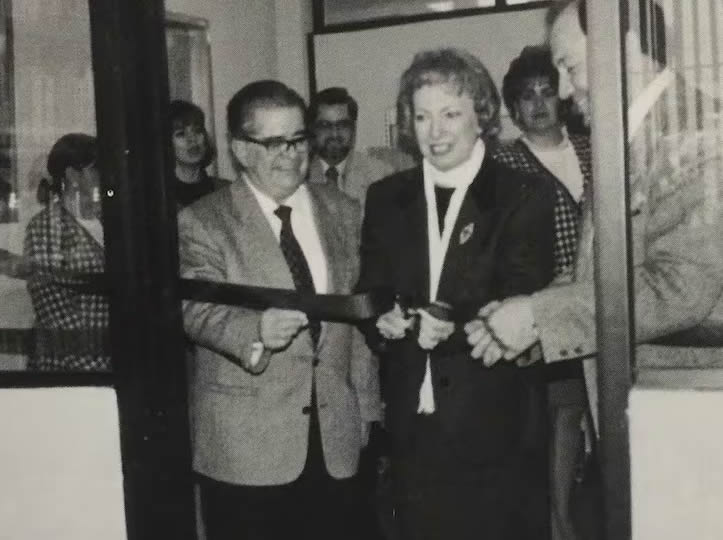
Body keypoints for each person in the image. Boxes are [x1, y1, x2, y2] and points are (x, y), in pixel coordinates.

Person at [467, 0, 723, 430]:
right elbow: (601, 269)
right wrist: (529, 316)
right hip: (649, 408)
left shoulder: (697, 135)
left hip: (687, 412)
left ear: (625, 48)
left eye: (569, 67)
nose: (565, 91)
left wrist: (538, 315)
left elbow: (681, 288)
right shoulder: (628, 137)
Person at [356, 47, 557, 540]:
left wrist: (452, 322)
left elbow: (521, 294)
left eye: (450, 114)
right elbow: (371, 289)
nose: (435, 131)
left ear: (481, 116)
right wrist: (382, 318)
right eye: (422, 116)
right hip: (412, 425)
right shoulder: (386, 197)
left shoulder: (522, 193)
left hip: (495, 421)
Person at [177, 80, 381, 540]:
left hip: (337, 438)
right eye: (274, 143)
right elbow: (195, 305)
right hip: (247, 448)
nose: (291, 154)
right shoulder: (203, 220)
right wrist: (254, 331)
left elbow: (355, 315)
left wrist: (366, 407)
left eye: (298, 139)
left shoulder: (344, 210)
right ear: (241, 150)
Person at [491, 44, 592, 540]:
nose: (537, 104)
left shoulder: (594, 147)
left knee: (592, 410)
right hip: (540, 308)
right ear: (513, 107)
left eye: (546, 92)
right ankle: (559, 522)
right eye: (526, 95)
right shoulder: (503, 160)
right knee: (558, 413)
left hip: (598, 301)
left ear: (563, 97)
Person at [24, 133, 109, 371]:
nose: (105, 174)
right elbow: (53, 306)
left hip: (116, 359)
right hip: (70, 366)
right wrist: (94, 366)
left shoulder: (111, 219)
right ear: (73, 175)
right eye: (97, 168)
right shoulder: (45, 227)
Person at [308, 87, 412, 206]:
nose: (334, 134)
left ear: (354, 129)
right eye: (325, 125)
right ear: (313, 129)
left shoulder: (382, 176)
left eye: (343, 125)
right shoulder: (301, 177)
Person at [169, 99, 229, 208]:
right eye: (181, 134)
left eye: (197, 130)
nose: (192, 139)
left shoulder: (226, 191)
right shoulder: (159, 197)